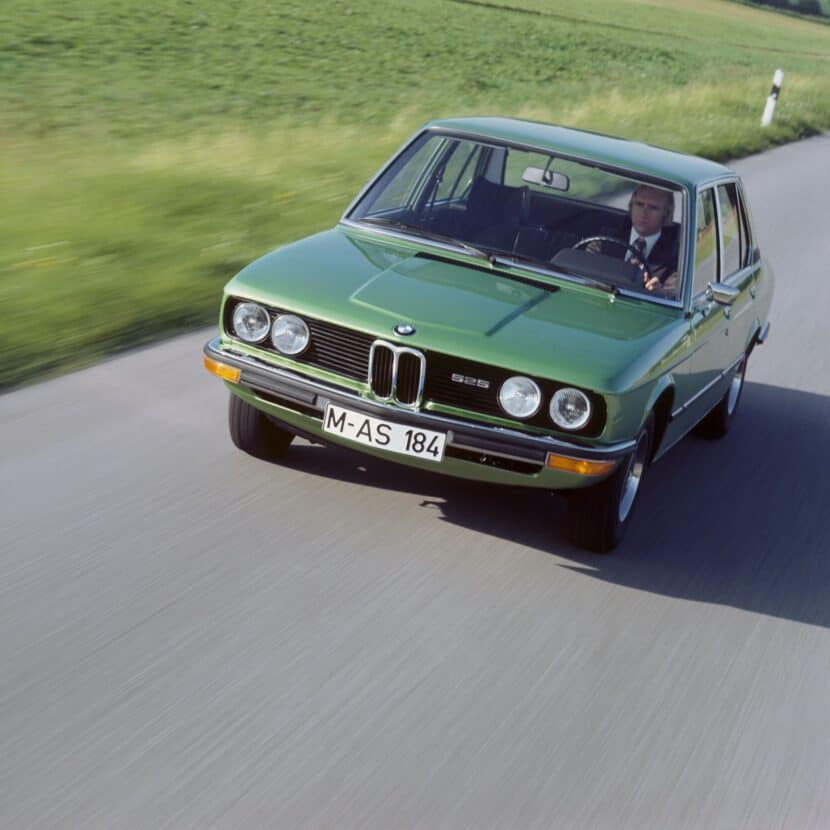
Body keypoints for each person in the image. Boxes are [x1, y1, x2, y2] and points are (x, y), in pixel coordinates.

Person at [590, 184, 680, 299]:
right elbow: (584, 274)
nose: (644, 213)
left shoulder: (676, 255)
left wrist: (659, 293)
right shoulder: (605, 239)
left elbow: (672, 295)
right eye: (639, 204)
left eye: (653, 208)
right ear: (631, 207)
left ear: (666, 214)